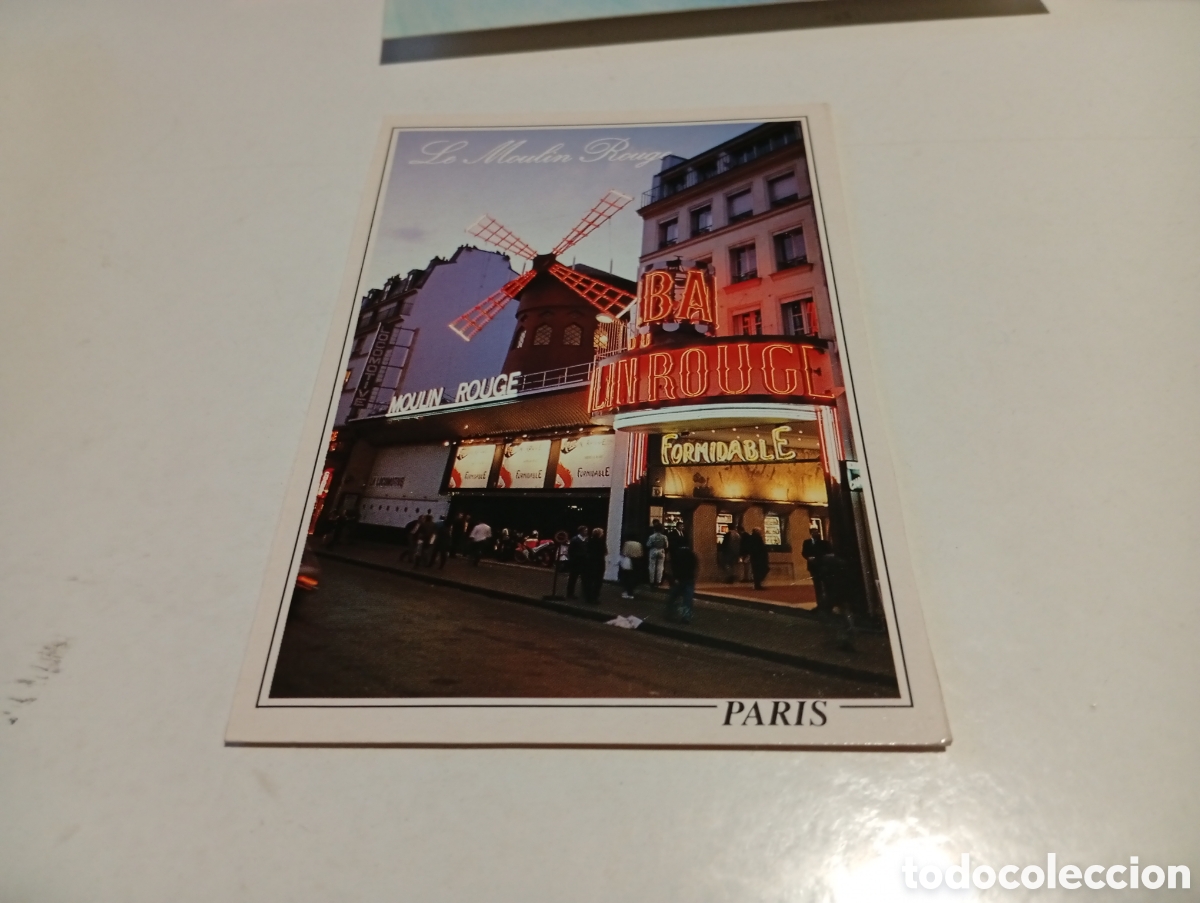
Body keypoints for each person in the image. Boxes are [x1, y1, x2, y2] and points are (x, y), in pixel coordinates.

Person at [818, 550, 856, 651]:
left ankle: (842, 641)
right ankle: (844, 641)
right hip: (841, 596)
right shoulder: (841, 566)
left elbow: (828, 584)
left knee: (839, 619)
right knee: (845, 618)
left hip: (836, 596)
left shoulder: (828, 569)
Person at [664, 540, 697, 624]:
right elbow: (694, 567)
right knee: (687, 599)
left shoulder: (676, 554)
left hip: (678, 579)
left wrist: (673, 578)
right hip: (689, 579)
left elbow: (673, 567)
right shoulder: (692, 555)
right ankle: (686, 616)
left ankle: (669, 613)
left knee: (673, 596)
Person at [801, 526, 834, 608]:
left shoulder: (824, 543)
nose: (816, 534)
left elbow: (829, 552)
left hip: (823, 565)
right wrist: (808, 557)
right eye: (814, 532)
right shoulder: (807, 542)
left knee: (826, 584)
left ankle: (828, 602)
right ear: (811, 534)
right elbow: (804, 552)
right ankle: (819, 602)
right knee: (817, 585)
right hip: (813, 566)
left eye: (817, 532)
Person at [583, 527, 607, 605]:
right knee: (597, 581)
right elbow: (605, 552)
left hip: (589, 563)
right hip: (599, 563)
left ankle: (588, 597)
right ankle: (595, 597)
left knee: (589, 580)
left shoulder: (589, 541)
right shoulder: (601, 542)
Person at [566, 524, 589, 599]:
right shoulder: (575, 539)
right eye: (585, 530)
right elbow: (570, 551)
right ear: (581, 531)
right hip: (576, 561)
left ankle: (584, 593)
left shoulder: (586, 539)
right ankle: (570, 593)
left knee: (584, 578)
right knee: (573, 578)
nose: (586, 532)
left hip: (584, 561)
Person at [618, 534, 643, 599]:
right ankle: (631, 592)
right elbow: (640, 554)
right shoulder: (639, 544)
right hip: (636, 561)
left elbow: (624, 552)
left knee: (626, 577)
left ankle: (626, 591)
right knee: (633, 577)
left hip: (628, 561)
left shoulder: (627, 543)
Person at [645, 521, 669, 588]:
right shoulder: (664, 537)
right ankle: (658, 581)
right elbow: (667, 545)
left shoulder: (652, 536)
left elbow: (648, 544)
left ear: (654, 529)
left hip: (653, 550)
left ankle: (651, 581)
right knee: (660, 567)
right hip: (661, 550)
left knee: (652, 567)